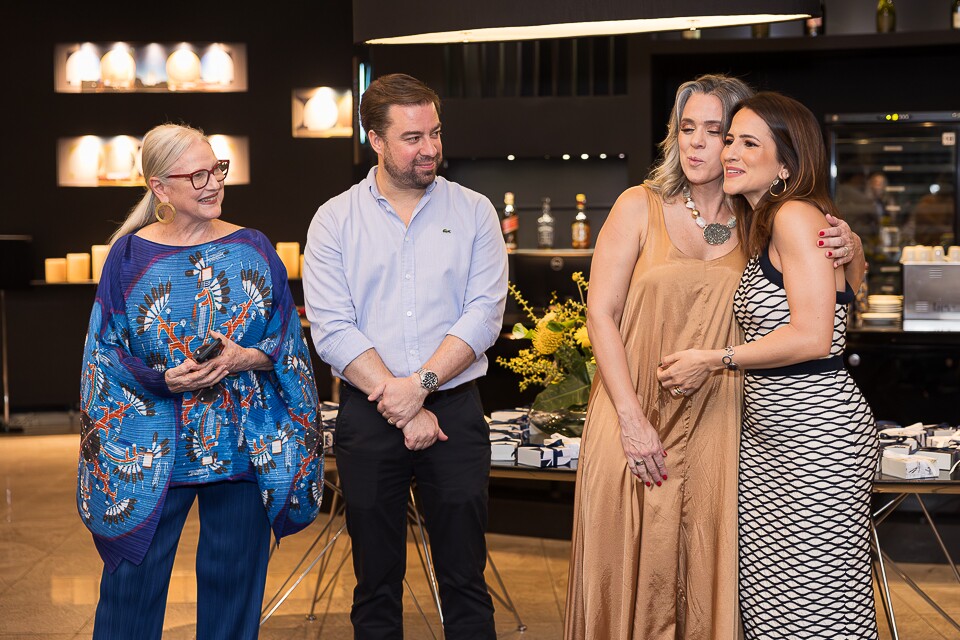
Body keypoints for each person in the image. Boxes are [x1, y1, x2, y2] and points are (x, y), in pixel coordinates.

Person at [564, 75, 861, 640]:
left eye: (719, 132)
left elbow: (830, 307)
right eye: (686, 129)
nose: (700, 144)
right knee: (628, 571)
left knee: (731, 582)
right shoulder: (639, 205)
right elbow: (599, 313)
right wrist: (630, 420)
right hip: (635, 417)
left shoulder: (760, 218)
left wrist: (854, 247)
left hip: (723, 426)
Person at [77, 123, 324, 640]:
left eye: (217, 169)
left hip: (240, 448)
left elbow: (286, 339)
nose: (213, 183)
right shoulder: (127, 257)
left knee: (234, 598)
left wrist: (244, 357)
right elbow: (105, 355)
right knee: (129, 596)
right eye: (197, 175)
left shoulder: (254, 246)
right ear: (160, 188)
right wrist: (162, 378)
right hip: (149, 454)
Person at [658, 92, 877, 638]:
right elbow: (854, 289)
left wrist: (714, 359)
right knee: (774, 607)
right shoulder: (773, 221)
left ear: (786, 164)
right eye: (730, 138)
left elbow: (813, 335)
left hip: (815, 441)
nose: (729, 150)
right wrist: (856, 253)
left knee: (811, 612)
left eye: (748, 142)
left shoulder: (793, 217)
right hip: (775, 438)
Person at [302, 73, 507, 639]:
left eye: (435, 133)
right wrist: (405, 403)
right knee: (375, 584)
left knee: (466, 579)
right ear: (376, 139)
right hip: (370, 419)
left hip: (456, 413)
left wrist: (420, 385)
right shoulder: (334, 221)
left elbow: (484, 314)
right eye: (413, 137)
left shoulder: (475, 211)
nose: (431, 148)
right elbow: (332, 329)